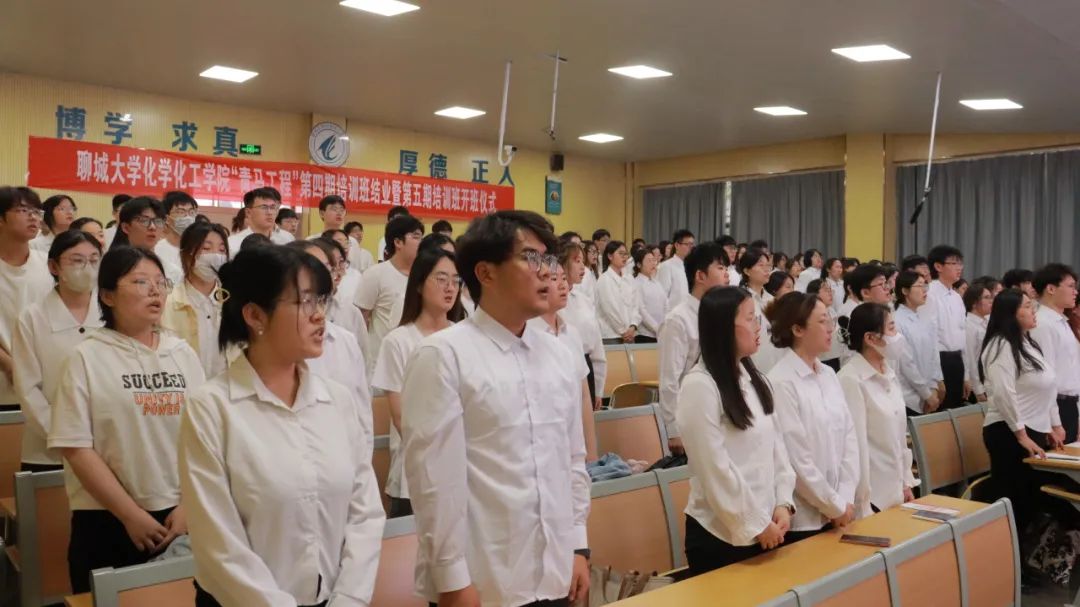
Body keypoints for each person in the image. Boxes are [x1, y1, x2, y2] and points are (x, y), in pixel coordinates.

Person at [401, 210, 591, 607]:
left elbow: (572, 459)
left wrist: (578, 545)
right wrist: (452, 580)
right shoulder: (444, 355)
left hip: (556, 571)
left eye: (548, 258)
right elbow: (434, 483)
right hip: (485, 580)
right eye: (531, 258)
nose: (547, 271)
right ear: (485, 273)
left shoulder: (559, 355)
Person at [178, 245, 383, 606]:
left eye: (321, 301)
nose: (319, 315)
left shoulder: (337, 401)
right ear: (255, 315)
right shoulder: (211, 408)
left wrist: (350, 598)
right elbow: (219, 544)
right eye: (305, 302)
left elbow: (364, 513)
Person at [49, 246, 204, 593]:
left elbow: (204, 438)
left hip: (179, 515)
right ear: (107, 296)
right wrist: (131, 515)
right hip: (107, 517)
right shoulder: (86, 357)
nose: (155, 291)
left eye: (160, 282)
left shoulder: (182, 354)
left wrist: (189, 505)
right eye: (140, 281)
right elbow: (76, 447)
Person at [678, 286, 795, 575]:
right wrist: (756, 523)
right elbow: (714, 469)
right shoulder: (699, 385)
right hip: (721, 535)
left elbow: (777, 449)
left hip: (768, 526)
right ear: (723, 327)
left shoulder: (756, 379)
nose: (759, 326)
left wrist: (783, 503)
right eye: (750, 318)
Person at [373, 247, 464, 518]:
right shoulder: (398, 341)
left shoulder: (466, 337)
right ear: (419, 285)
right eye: (441, 279)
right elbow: (401, 418)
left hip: (463, 473)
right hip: (414, 476)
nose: (450, 288)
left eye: (456, 281)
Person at [980, 289, 1067, 555]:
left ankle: (1025, 558)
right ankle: (1006, 559)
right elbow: (1004, 394)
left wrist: (1054, 425)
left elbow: (1047, 386)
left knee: (1030, 499)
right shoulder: (1000, 345)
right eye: (1028, 306)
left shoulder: (1027, 343)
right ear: (1011, 313)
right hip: (1008, 432)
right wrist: (1021, 435)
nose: (1033, 311)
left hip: (1032, 430)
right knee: (1014, 499)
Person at [767, 292, 859, 543]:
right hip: (803, 519)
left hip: (841, 509)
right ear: (798, 329)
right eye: (821, 321)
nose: (830, 328)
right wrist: (833, 506)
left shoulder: (828, 374)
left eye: (830, 320)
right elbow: (796, 460)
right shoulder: (781, 381)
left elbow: (849, 437)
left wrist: (845, 497)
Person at [13, 230, 103, 472]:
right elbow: (28, 388)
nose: (87, 268)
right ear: (54, 266)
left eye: (94, 260)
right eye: (77, 260)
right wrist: (64, 436)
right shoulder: (32, 318)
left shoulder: (114, 314)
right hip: (48, 450)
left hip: (108, 448)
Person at [837, 303, 917, 517]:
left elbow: (899, 437)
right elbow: (856, 446)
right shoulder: (850, 379)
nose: (897, 335)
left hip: (895, 490)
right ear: (870, 338)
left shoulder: (888, 372)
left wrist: (906, 481)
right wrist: (863, 502)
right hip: (872, 498)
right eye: (891, 328)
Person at [659, 242, 730, 456]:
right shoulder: (678, 320)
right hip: (691, 411)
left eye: (727, 268)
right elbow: (669, 380)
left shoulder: (720, 315)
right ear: (700, 276)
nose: (727, 274)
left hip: (719, 409)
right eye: (720, 268)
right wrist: (673, 429)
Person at [529, 261, 600, 463]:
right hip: (544, 448)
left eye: (563, 278)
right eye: (553, 279)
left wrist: (591, 452)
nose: (563, 285)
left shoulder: (572, 333)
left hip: (575, 445)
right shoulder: (527, 334)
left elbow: (584, 396)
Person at [0, 187, 54, 412]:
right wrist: (9, 364)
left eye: (36, 211)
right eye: (23, 210)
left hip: (43, 382)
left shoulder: (49, 265)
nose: (33, 217)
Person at [160, 222, 230, 379]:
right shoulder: (168, 304)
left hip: (226, 389)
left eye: (222, 250)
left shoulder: (234, 304)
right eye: (206, 248)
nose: (216, 255)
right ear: (186, 254)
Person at [354, 214, 423, 363]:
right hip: (381, 360)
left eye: (421, 237)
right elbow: (360, 320)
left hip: (415, 359)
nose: (421, 243)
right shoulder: (375, 274)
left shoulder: (424, 277)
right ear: (398, 242)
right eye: (416, 237)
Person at [1030, 264, 1080, 443]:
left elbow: (1073, 371)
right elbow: (1045, 377)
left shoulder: (1062, 322)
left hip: (1069, 404)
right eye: (1071, 286)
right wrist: (1054, 422)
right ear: (1051, 289)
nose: (1075, 292)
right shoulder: (1042, 324)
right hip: (1054, 407)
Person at [919, 245, 968, 408]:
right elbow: (929, 338)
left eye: (960, 263)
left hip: (957, 360)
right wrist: (937, 377)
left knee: (956, 409)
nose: (959, 268)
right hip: (940, 360)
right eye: (954, 263)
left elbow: (963, 335)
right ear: (938, 266)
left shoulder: (956, 297)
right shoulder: (929, 294)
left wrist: (966, 375)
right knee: (941, 411)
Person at [560, 241, 607, 411]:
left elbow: (597, 346)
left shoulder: (584, 300)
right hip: (563, 368)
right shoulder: (549, 303)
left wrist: (599, 387)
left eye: (582, 261)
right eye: (577, 261)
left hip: (587, 368)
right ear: (561, 264)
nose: (583, 267)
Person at [894, 271, 945, 415]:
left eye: (925, 286)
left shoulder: (921, 317)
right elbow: (907, 364)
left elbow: (932, 354)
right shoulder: (897, 321)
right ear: (905, 291)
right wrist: (926, 394)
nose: (924, 290)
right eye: (919, 286)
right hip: (908, 396)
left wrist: (934, 385)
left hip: (928, 391)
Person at [739, 247, 780, 373]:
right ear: (747, 271)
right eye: (761, 265)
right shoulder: (740, 299)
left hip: (773, 364)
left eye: (768, 266)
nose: (766, 269)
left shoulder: (772, 300)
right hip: (750, 366)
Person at [596, 240, 640, 345]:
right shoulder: (604, 279)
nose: (624, 257)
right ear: (610, 256)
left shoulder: (629, 278)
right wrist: (623, 331)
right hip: (611, 335)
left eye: (626, 254)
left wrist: (633, 326)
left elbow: (636, 304)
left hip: (630, 333)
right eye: (620, 253)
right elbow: (610, 309)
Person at [227, 187, 293, 254]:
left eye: (273, 207)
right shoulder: (233, 243)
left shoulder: (288, 238)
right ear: (248, 212)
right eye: (264, 207)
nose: (269, 212)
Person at [963, 278, 997, 404]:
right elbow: (970, 359)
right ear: (973, 303)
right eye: (986, 298)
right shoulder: (968, 325)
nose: (991, 301)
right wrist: (978, 389)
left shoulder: (988, 321)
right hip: (979, 384)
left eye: (991, 297)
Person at [155, 191, 198, 286]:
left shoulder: (200, 248)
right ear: (166, 218)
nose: (188, 217)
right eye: (180, 212)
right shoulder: (156, 250)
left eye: (191, 212)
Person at [808, 278, 844, 372]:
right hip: (822, 359)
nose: (830, 293)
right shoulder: (812, 313)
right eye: (826, 290)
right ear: (815, 294)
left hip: (836, 357)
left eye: (831, 290)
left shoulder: (831, 311)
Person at [633, 246, 665, 343]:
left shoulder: (657, 283)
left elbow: (666, 304)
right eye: (649, 261)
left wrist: (665, 327)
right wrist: (657, 328)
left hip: (661, 333)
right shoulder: (636, 283)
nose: (653, 263)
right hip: (645, 335)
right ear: (639, 265)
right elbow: (641, 311)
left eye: (654, 260)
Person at [656, 229, 695, 310]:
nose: (690, 247)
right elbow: (662, 296)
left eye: (692, 244)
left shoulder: (686, 266)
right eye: (687, 244)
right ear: (677, 245)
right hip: (672, 313)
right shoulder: (667, 266)